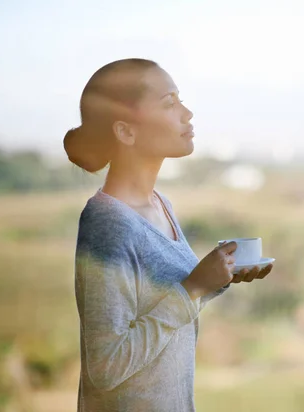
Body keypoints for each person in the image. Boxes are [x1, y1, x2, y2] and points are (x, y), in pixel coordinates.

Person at [64, 58, 273, 412]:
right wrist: (193, 288)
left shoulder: (162, 205)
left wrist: (220, 278)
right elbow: (106, 366)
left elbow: (164, 304)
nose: (187, 113)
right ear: (126, 131)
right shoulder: (107, 225)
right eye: (169, 103)